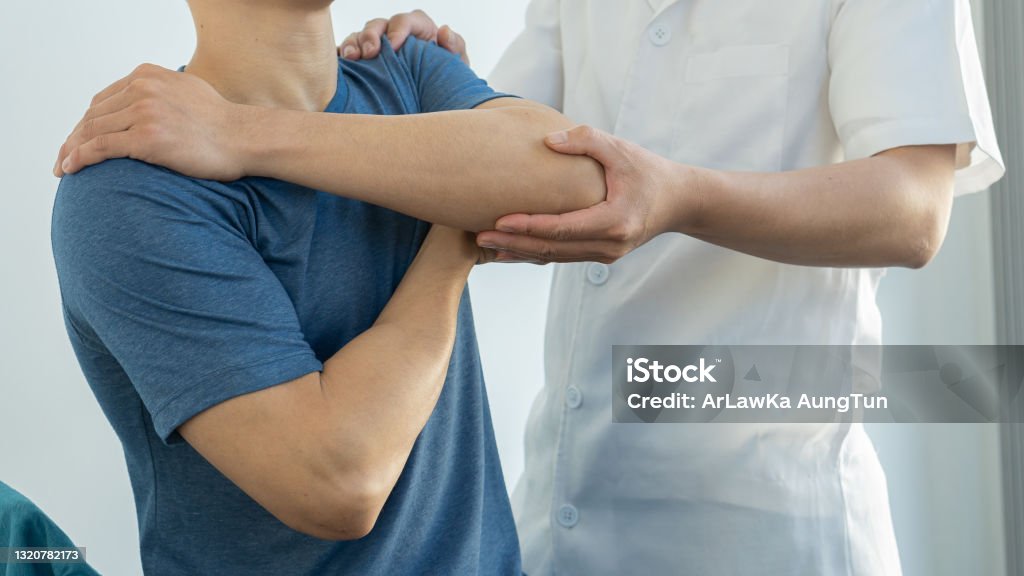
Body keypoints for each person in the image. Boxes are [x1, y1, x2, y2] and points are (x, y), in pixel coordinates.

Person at [54, 1, 1005, 575]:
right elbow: (500, 162)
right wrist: (440, 110)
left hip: (764, 494)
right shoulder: (134, 197)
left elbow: (914, 214)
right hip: (566, 503)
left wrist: (675, 196)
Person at [51, 0, 606, 574]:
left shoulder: (407, 70)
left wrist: (239, 134)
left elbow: (583, 177)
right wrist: (458, 229)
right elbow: (340, 483)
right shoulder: (127, 191)